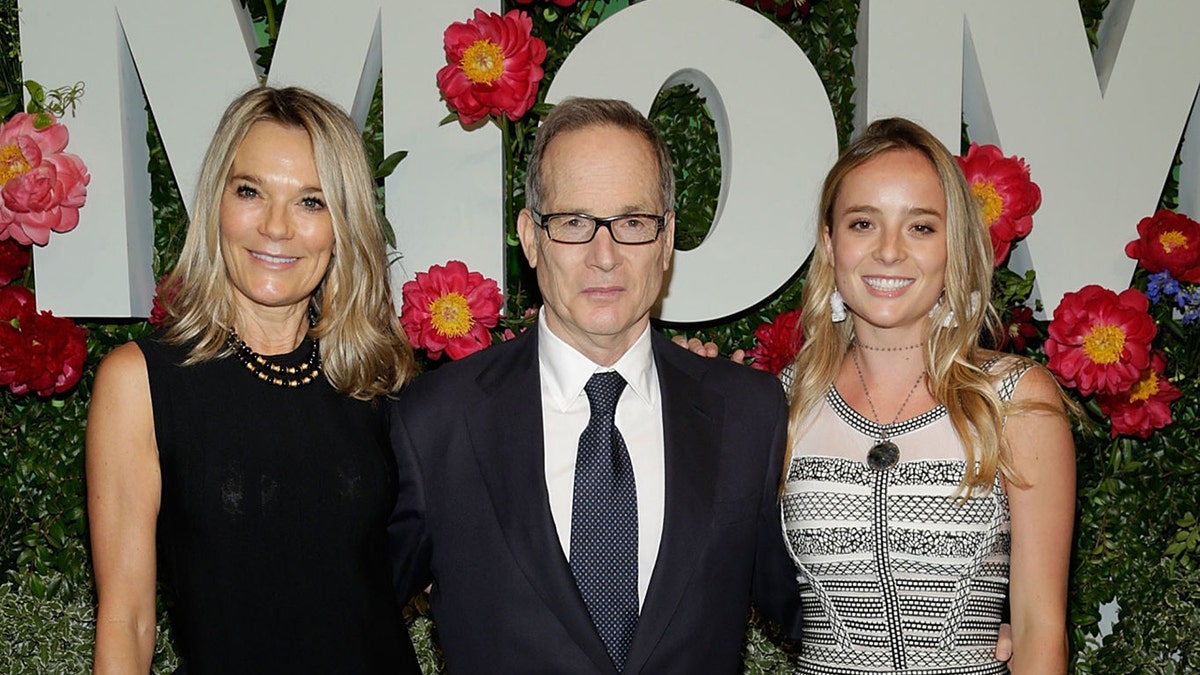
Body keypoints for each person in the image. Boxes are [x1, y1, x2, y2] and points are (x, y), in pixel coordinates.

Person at [387, 97, 802, 674]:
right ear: (531, 238)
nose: (603, 256)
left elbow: (825, 617)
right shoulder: (435, 421)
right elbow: (349, 621)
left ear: (666, 241)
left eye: (632, 223)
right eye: (574, 223)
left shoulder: (749, 415)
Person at [86, 86, 420, 674]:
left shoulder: (378, 376)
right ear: (217, 202)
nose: (276, 227)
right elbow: (127, 620)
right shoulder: (140, 383)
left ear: (344, 224)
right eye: (250, 191)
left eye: (311, 202)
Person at [778, 117, 1075, 673]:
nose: (889, 252)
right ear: (829, 240)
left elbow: (1040, 629)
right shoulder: (783, 403)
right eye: (863, 223)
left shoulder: (1014, 400)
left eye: (920, 227)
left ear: (953, 244)